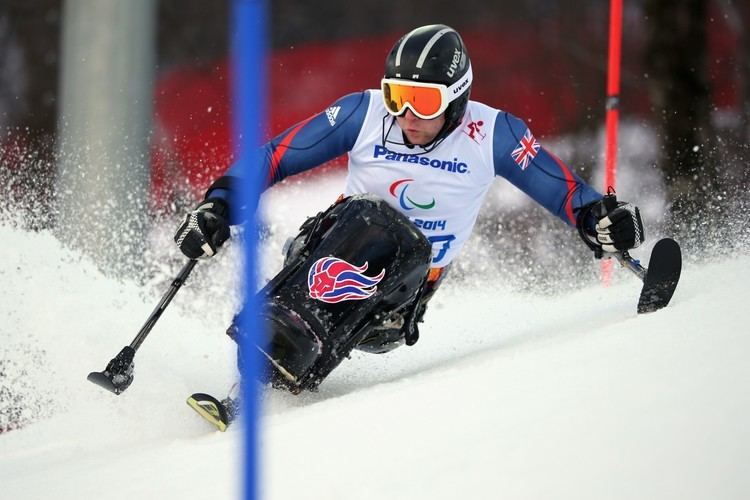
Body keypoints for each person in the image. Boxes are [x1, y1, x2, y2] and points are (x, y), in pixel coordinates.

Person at [175, 24, 644, 397]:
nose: (406, 116)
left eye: (424, 102)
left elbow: (560, 189)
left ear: (457, 99)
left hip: (401, 299)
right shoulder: (364, 113)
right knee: (367, 218)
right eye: (398, 96)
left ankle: (279, 359)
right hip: (324, 252)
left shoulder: (493, 134)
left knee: (387, 229)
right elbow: (276, 156)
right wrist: (219, 204)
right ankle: (264, 369)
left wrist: (597, 219)